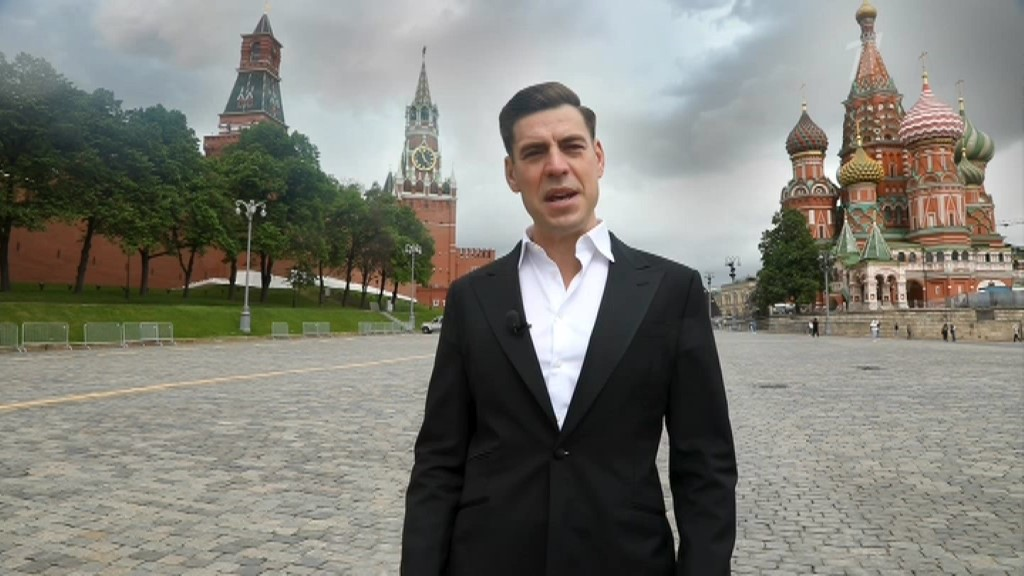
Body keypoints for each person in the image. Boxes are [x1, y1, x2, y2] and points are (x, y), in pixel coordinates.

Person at [401, 82, 737, 575]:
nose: (556, 166)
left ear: (597, 158)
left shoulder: (671, 291)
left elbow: (705, 467)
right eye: (534, 152)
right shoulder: (473, 299)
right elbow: (438, 461)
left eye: (572, 146)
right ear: (512, 174)